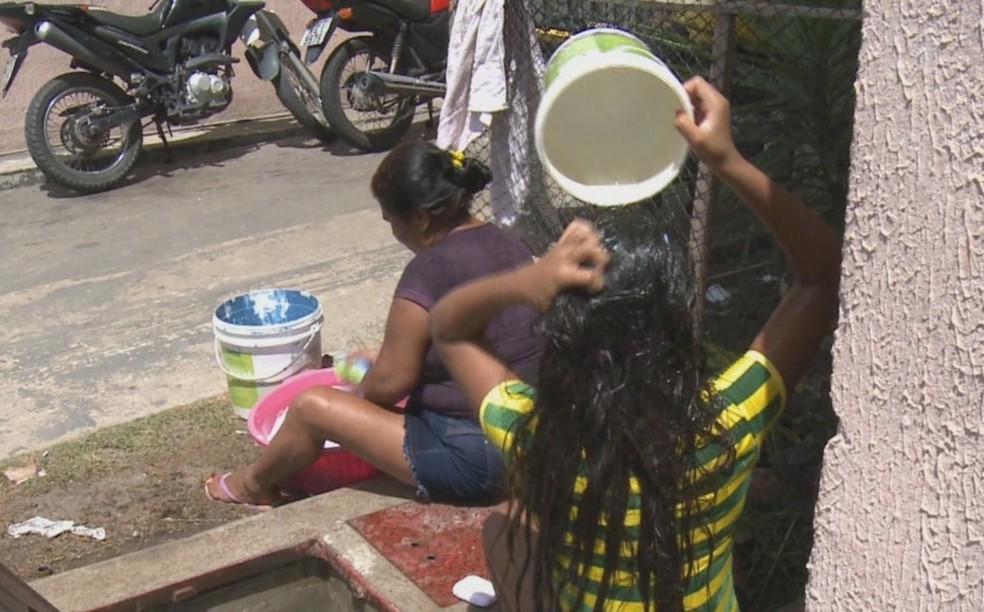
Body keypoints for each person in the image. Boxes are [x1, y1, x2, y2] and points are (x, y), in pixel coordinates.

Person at [429, 76, 842, 611]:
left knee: (505, 524)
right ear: (674, 326)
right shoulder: (729, 425)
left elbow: (448, 327)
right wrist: (726, 160)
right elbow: (824, 277)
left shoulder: (534, 437)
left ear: (565, 333)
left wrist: (526, 283)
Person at [205, 141, 543, 508]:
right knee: (374, 360)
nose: (394, 233)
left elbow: (390, 383)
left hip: (481, 461)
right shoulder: (510, 243)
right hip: (538, 441)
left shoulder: (429, 271)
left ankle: (251, 485)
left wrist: (359, 393)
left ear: (421, 218)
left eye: (391, 221)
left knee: (310, 407)